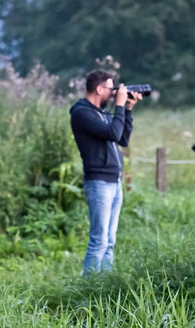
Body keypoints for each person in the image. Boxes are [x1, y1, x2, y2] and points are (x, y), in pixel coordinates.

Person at [70, 70, 141, 276]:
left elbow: (122, 139)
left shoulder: (101, 112)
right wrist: (118, 105)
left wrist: (127, 109)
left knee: (110, 241)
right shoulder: (82, 113)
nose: (113, 93)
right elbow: (112, 132)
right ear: (99, 89)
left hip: (113, 180)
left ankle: (105, 285)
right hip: (99, 182)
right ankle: (89, 287)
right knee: (98, 240)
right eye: (111, 89)